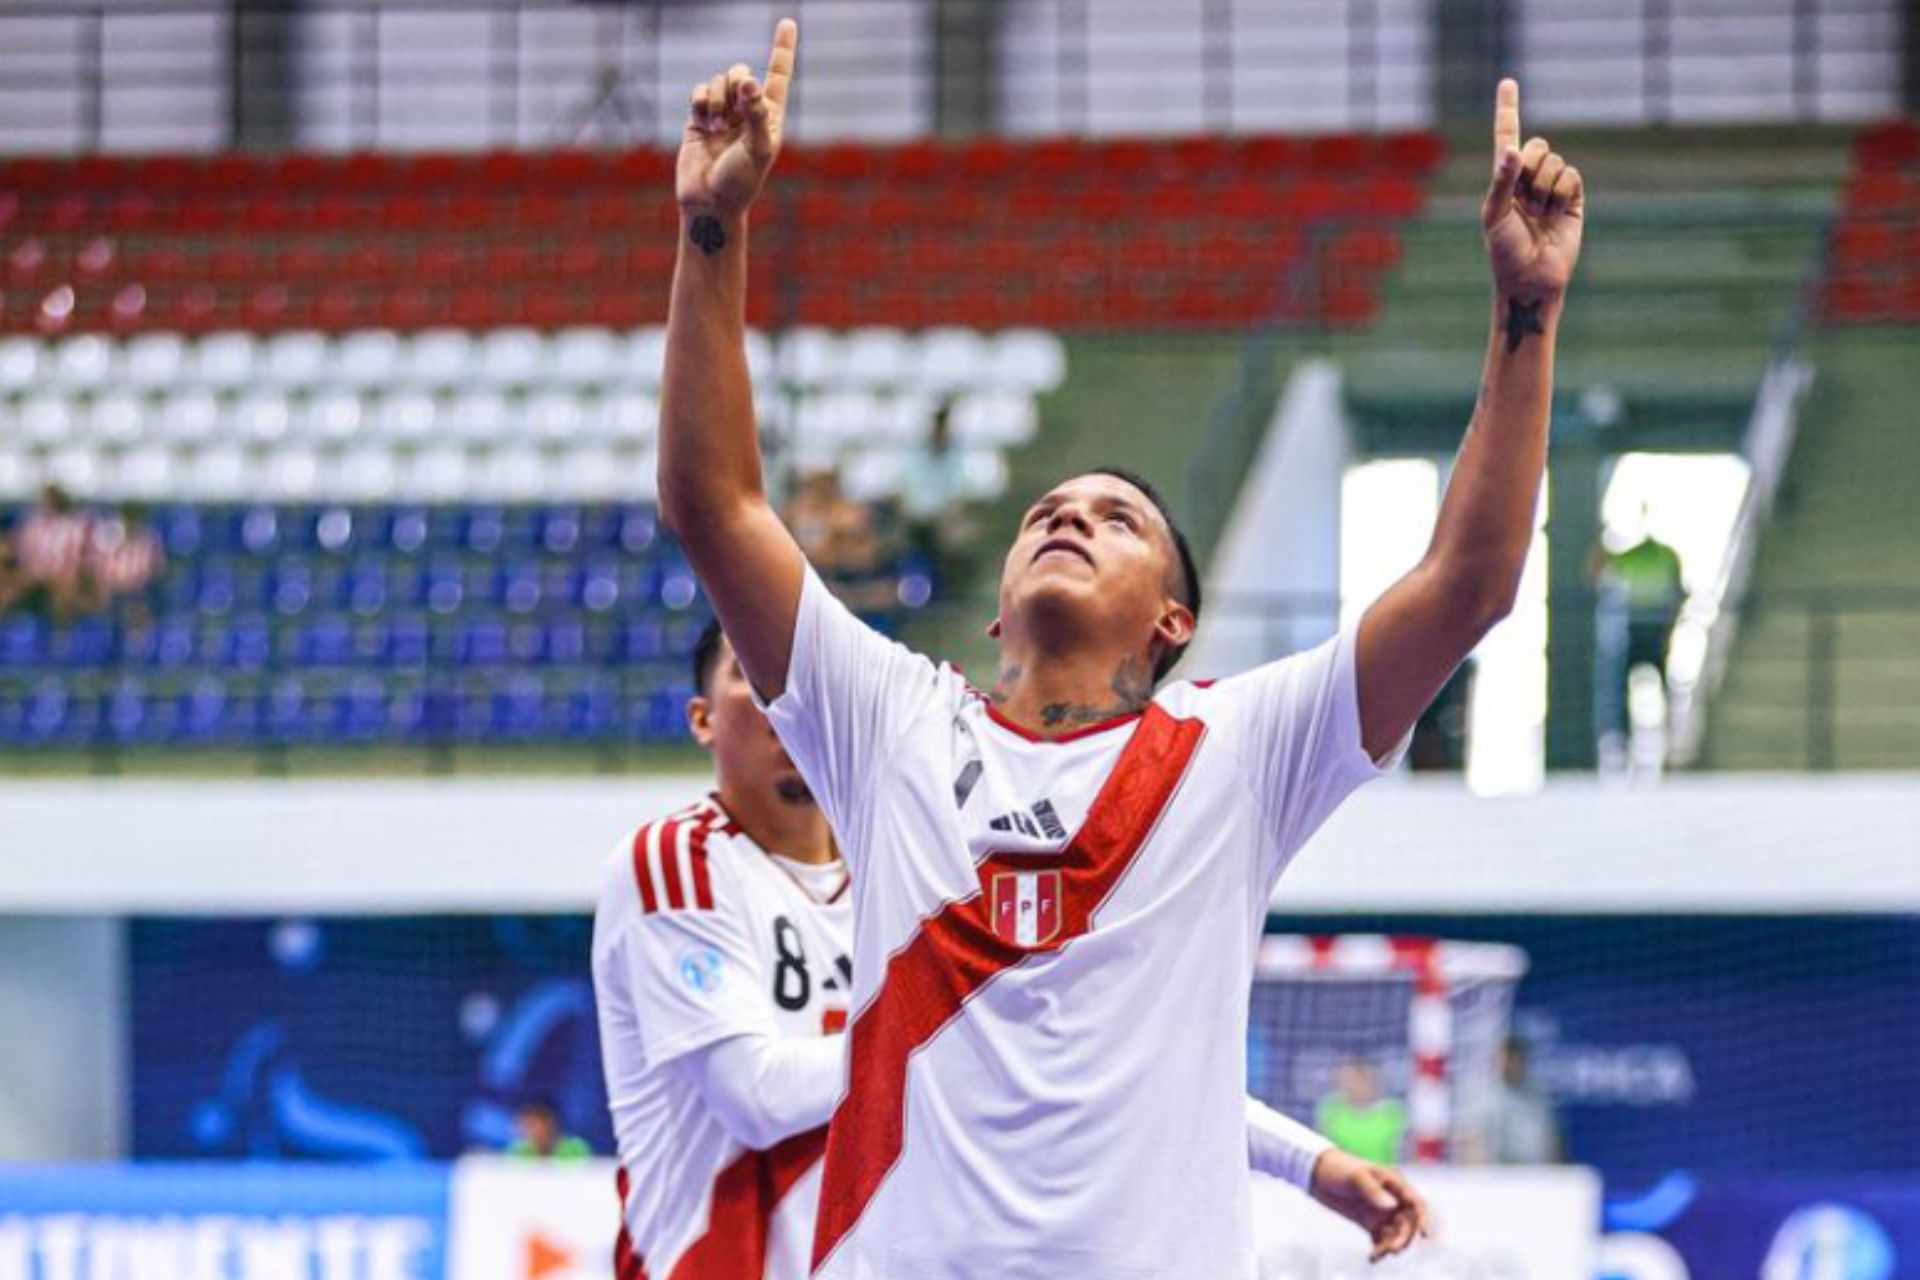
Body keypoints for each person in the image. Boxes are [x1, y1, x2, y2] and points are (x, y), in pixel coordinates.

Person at [659, 22, 1581, 1277]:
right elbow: (717, 506)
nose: (1067, 515)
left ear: (1172, 622)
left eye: (1117, 516)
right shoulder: (888, 721)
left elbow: (1470, 583)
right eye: (1047, 509)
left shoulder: (1245, 746)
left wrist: (1525, 311)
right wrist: (713, 231)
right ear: (995, 607)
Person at [594, 622, 1431, 1277]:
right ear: (702, 719)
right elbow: (754, 1097)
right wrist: (961, 1039)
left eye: (785, 684)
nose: (778, 702)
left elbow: (1105, 1081)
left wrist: (1307, 1159)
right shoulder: (680, 862)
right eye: (750, 680)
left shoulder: (903, 871)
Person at [12, 485, 92, 620]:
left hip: (61, 576)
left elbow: (76, 559)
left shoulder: (72, 527)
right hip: (34, 576)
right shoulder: (32, 526)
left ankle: (60, 634)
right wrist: (33, 573)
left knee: (66, 589)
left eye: (50, 502)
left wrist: (59, 574)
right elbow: (23, 555)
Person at [1316, 1059, 1408, 1167]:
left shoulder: (1393, 1114)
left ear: (1374, 1083)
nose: (1354, 1086)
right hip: (1343, 1179)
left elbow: (1408, 1157)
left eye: (1360, 1080)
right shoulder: (1331, 1112)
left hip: (1384, 1178)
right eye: (1349, 1081)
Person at [1490, 1036, 1564, 1165]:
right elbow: (1472, 1147)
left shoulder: (1537, 1095)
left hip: (1535, 1175)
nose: (1510, 1065)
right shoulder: (1483, 1096)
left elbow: (1552, 1142)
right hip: (1497, 1177)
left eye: (1515, 1060)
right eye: (1506, 1060)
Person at [505, 1098, 593, 1160]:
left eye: (533, 1126)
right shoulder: (518, 1153)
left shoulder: (573, 1150)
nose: (531, 1132)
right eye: (527, 1126)